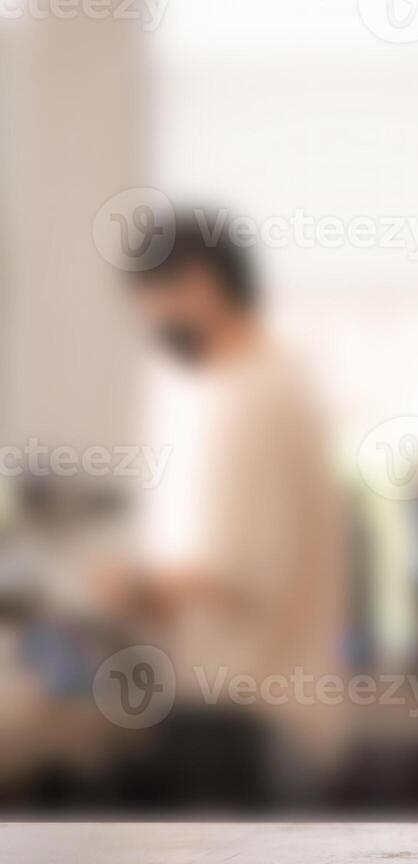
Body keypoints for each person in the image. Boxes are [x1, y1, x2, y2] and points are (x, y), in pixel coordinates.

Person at [93, 207, 347, 805]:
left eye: (150, 300)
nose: (148, 321)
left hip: (252, 720)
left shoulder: (256, 396)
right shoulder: (263, 384)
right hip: (261, 718)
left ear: (200, 289)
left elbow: (246, 570)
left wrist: (131, 587)